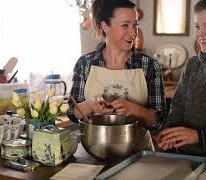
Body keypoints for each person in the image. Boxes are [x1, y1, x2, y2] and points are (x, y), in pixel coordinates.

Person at [67, 0, 167, 151]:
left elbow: (159, 121)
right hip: (93, 149)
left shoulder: (150, 66)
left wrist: (135, 110)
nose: (133, 33)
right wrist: (90, 105)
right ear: (105, 26)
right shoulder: (85, 63)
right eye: (125, 25)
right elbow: (72, 113)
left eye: (135, 25)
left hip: (138, 151)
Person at [156, 0, 206, 161]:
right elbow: (177, 107)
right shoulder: (192, 65)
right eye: (197, 27)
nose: (200, 33)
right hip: (185, 160)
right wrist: (170, 134)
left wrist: (200, 136)